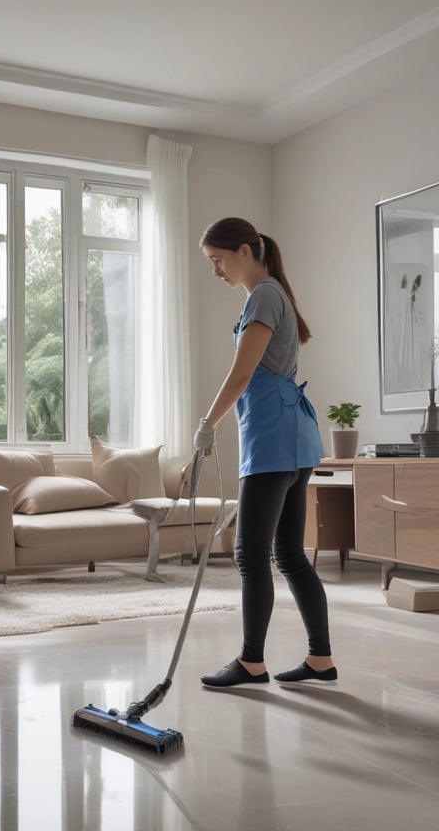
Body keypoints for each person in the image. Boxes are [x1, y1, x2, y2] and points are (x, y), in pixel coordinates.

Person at [194, 217, 336, 688]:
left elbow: (240, 374)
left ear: (244, 251)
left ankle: (251, 662)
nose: (216, 271)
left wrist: (206, 424)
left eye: (218, 261)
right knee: (289, 554)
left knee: (249, 553)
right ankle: (320, 659)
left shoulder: (264, 296)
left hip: (275, 437)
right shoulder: (270, 294)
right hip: (290, 436)